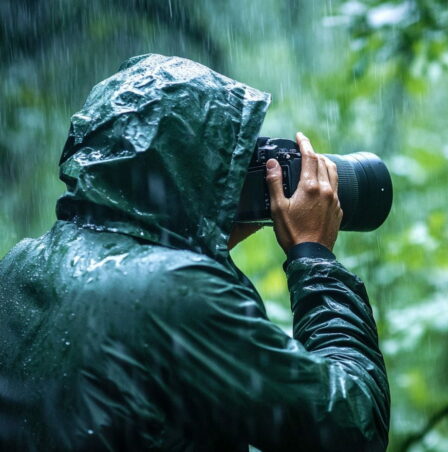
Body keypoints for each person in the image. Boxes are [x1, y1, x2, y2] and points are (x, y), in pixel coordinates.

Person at [0, 54, 390, 451]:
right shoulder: (176, 294)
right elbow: (354, 427)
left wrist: (205, 237)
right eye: (228, 161)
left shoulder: (20, 265)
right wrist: (314, 257)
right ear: (197, 169)